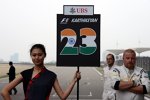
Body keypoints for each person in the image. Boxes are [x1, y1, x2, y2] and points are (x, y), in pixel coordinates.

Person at [1, 44, 81, 100]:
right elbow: (4, 91)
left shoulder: (51, 76)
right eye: (34, 55)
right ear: (31, 56)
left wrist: (74, 80)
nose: (37, 57)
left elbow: (63, 97)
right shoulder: (25, 74)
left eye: (40, 55)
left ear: (44, 55)